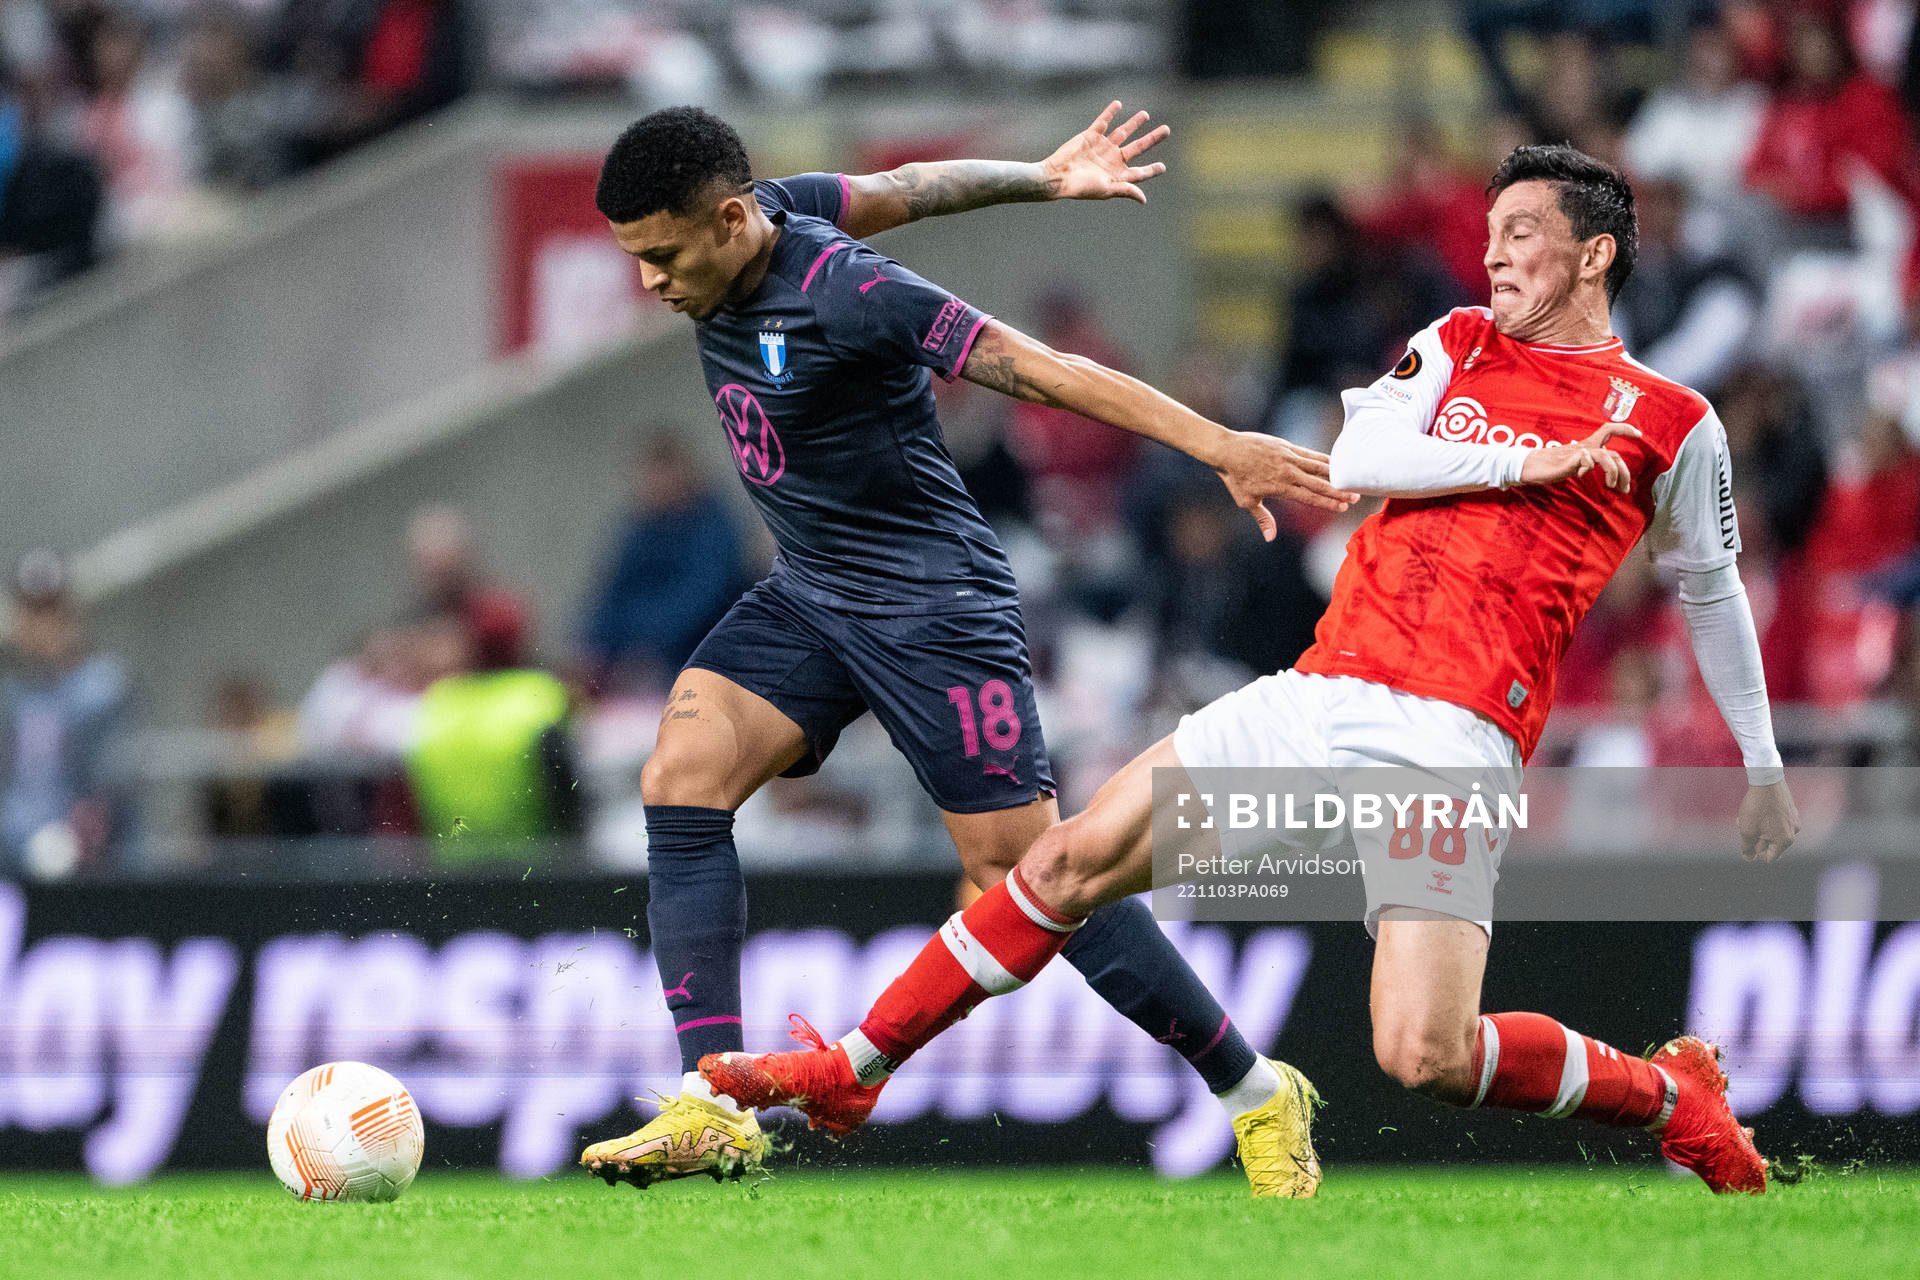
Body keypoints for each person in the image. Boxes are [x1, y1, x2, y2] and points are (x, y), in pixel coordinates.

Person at [703, 145, 1805, 1196]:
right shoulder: (1462, 339)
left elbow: (1711, 591)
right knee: (1068, 859)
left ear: (1597, 254)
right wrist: (1534, 458)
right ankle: (856, 1067)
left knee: (1426, 1051)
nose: (1495, 254)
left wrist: (1761, 762)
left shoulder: (1676, 422)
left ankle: (1669, 1096)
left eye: (1523, 233)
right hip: (1324, 692)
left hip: (1454, 737)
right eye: (1488, 233)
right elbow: (1362, 456)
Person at [575, 103, 1353, 1195]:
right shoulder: (781, 207)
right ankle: (709, 1098)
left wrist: (1218, 442)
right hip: (812, 592)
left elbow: (1034, 367)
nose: (652, 283)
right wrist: (1041, 174)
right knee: (681, 774)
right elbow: (915, 183)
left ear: (730, 219)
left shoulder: (845, 287)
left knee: (1026, 872)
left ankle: (1253, 1087)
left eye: (662, 256)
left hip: (937, 607)